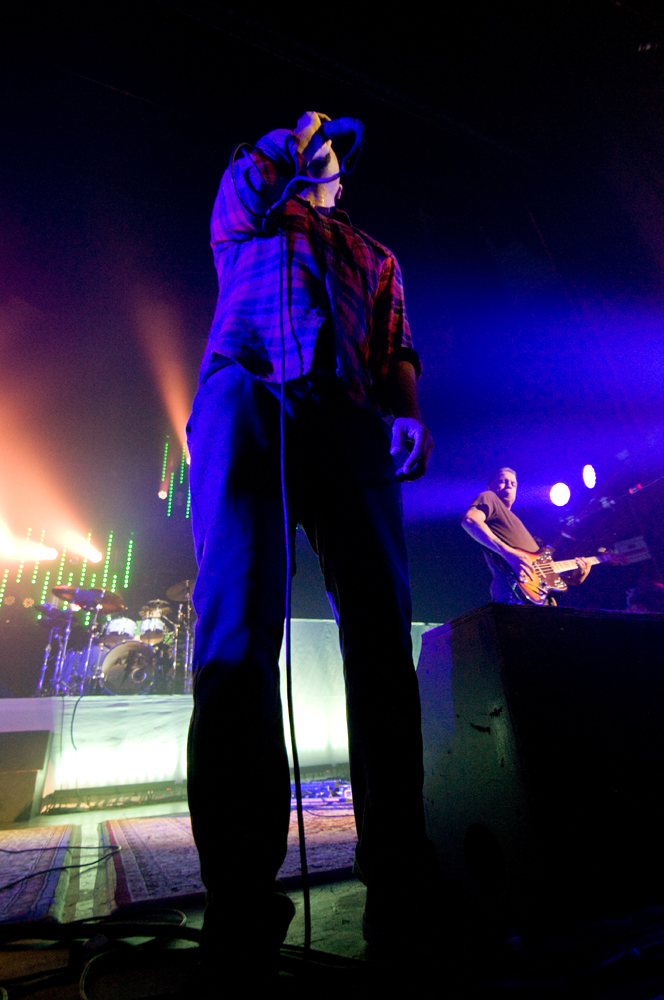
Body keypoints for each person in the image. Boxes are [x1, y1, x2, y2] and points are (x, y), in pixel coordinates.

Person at [186, 110, 436, 983]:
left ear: (342, 178)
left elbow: (396, 345)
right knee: (237, 633)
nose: (322, 153)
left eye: (330, 152)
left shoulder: (376, 255)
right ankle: (240, 894)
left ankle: (400, 870)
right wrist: (292, 139)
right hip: (247, 396)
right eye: (313, 149)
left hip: (351, 418)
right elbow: (245, 184)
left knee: (382, 639)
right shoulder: (254, 216)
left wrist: (406, 411)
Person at [461, 467, 591, 603]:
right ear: (489, 487)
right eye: (503, 481)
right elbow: (470, 521)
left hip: (539, 598)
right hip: (513, 595)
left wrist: (571, 580)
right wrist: (508, 552)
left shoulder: (517, 524)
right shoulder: (489, 497)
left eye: (513, 483)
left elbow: (537, 571)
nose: (509, 485)